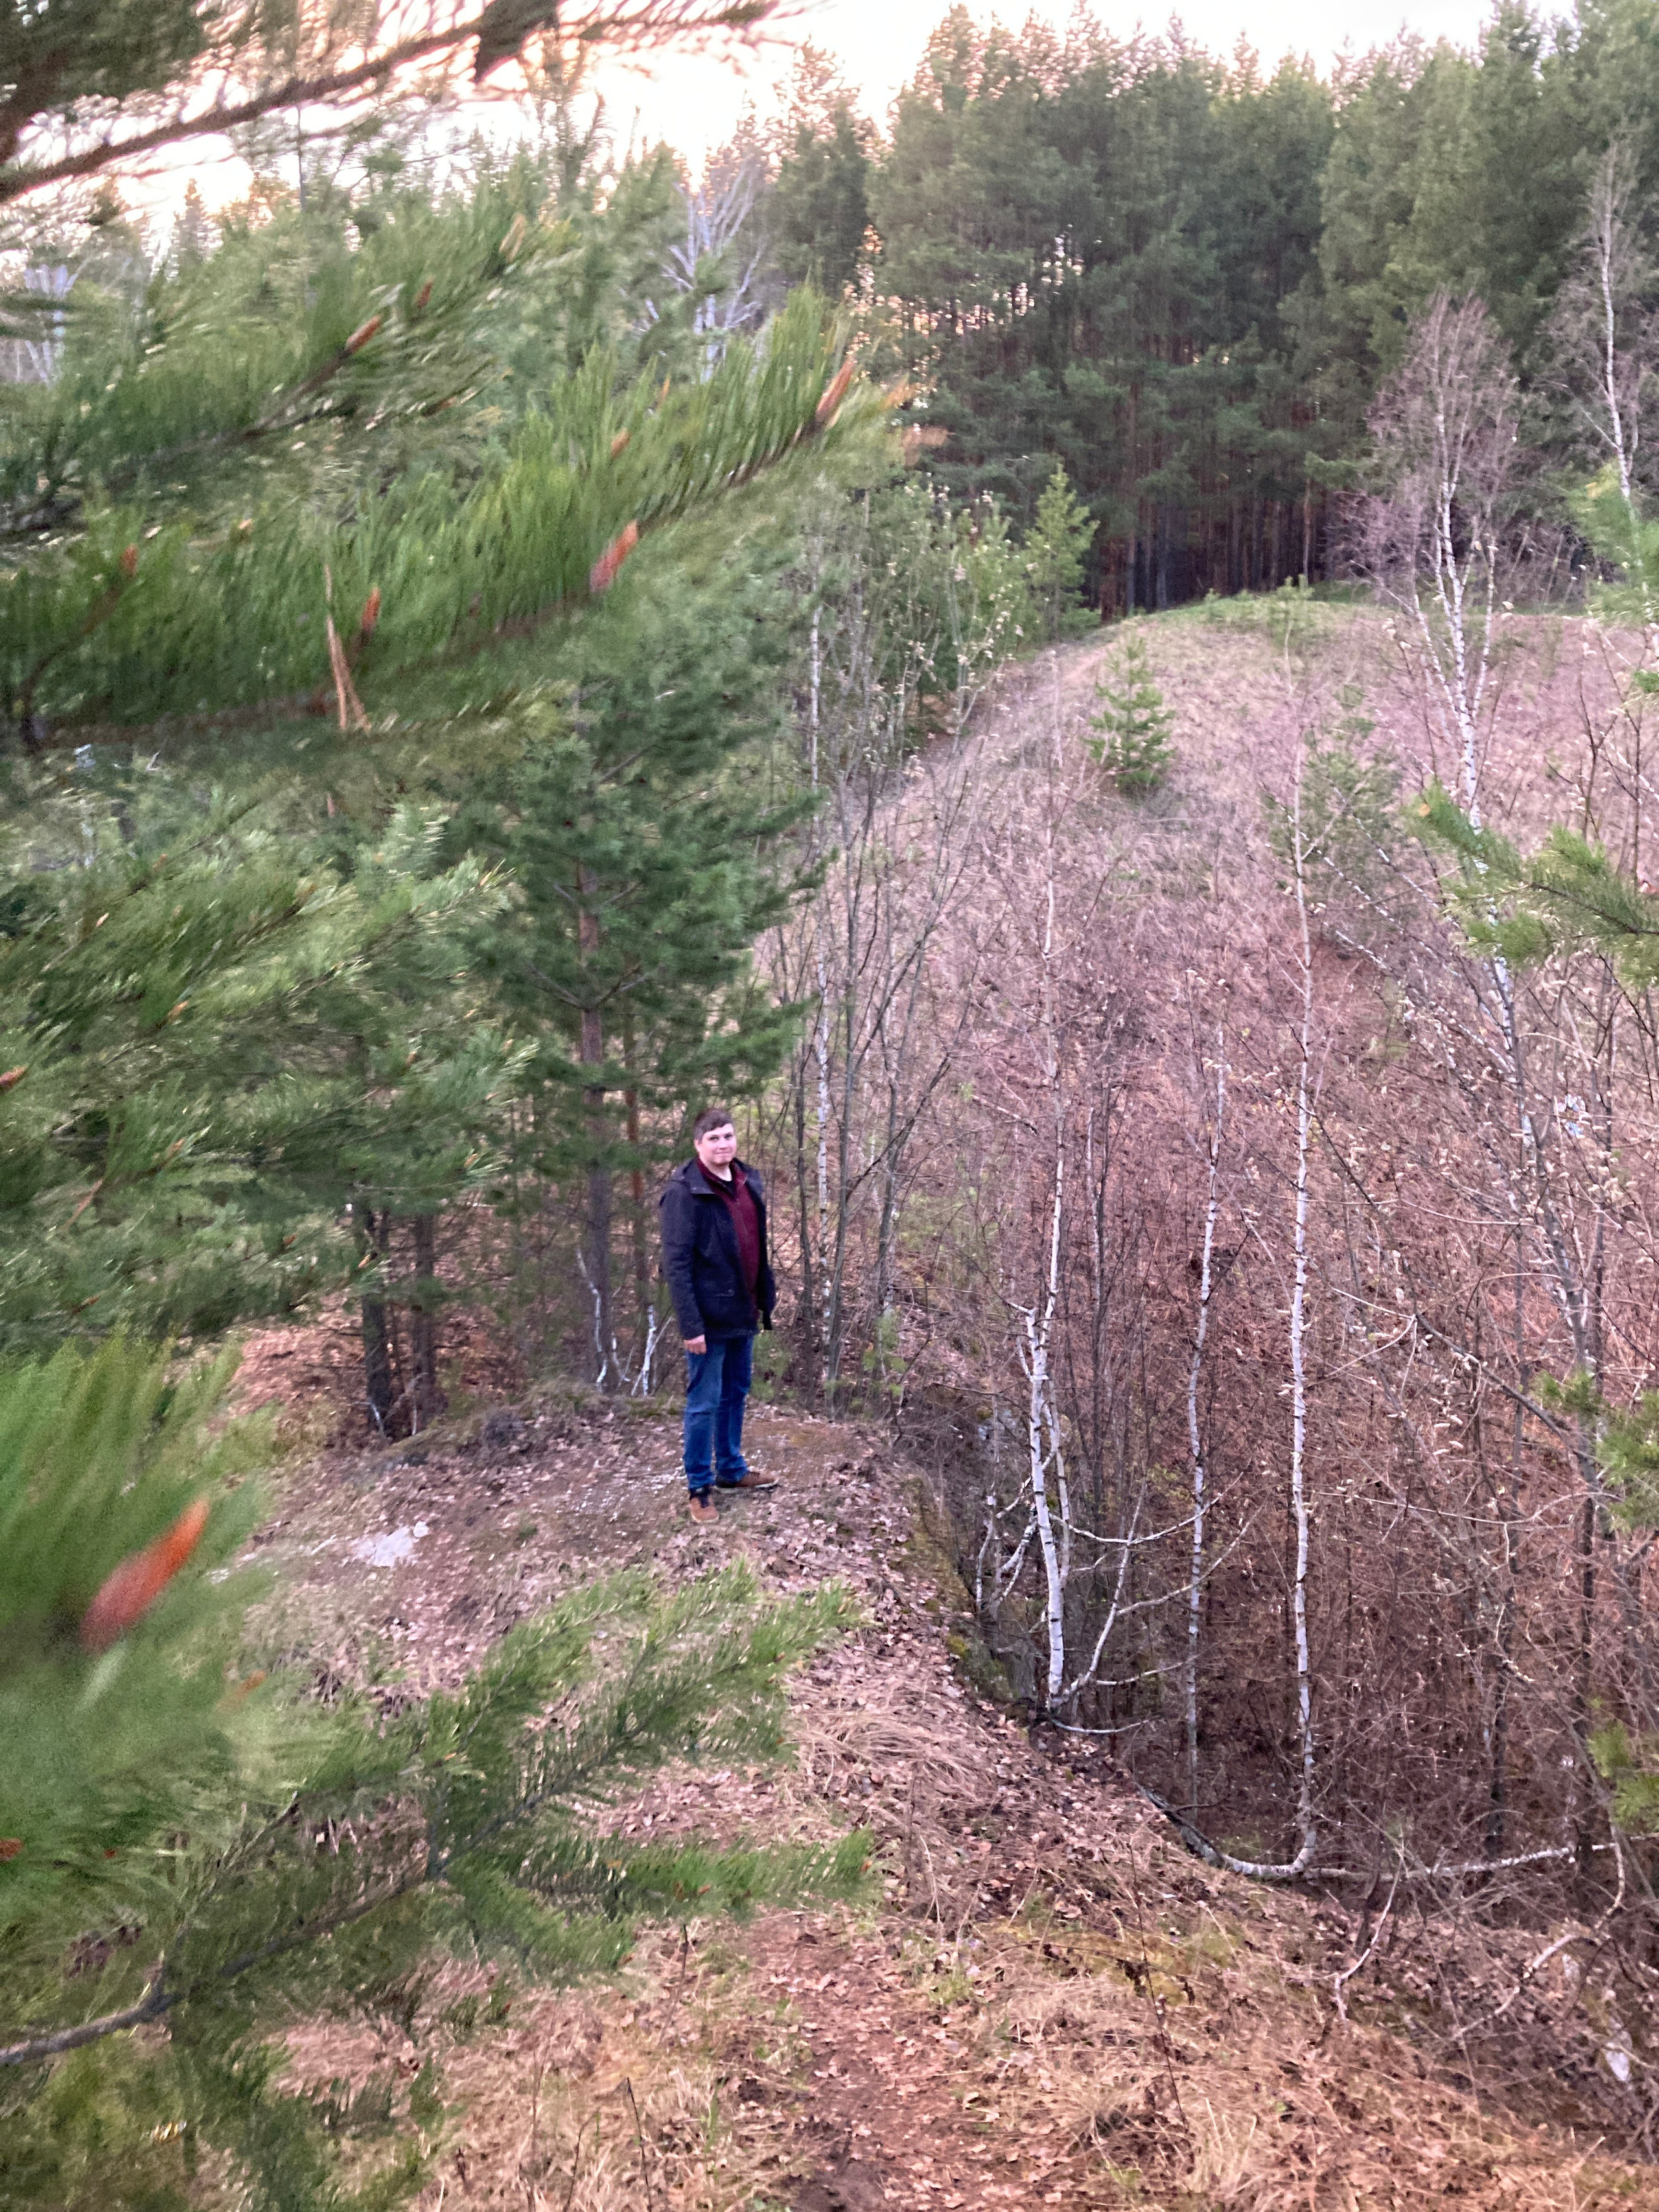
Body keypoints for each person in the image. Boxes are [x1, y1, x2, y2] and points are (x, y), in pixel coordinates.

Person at [659, 1107, 781, 1525]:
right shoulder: (684, 1193)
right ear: (697, 1145)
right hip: (707, 1320)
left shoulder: (748, 1181)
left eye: (728, 1136)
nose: (723, 1144)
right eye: (713, 1138)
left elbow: (757, 1247)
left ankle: (731, 1470)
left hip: (743, 1310)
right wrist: (691, 1326)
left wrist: (764, 1297)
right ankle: (699, 1486)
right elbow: (675, 1265)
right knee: (704, 1403)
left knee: (736, 1393)